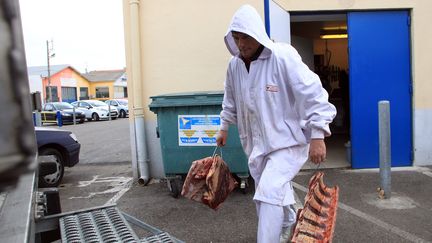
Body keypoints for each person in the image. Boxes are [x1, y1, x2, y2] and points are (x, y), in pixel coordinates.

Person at [216, 5, 337, 243]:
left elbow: (312, 93)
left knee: (268, 192)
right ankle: (289, 221)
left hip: (288, 142)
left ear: (258, 33)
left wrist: (318, 134)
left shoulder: (282, 56)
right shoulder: (235, 66)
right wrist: (223, 126)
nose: (241, 44)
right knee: (270, 189)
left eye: (246, 37)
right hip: (256, 145)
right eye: (237, 38)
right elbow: (230, 99)